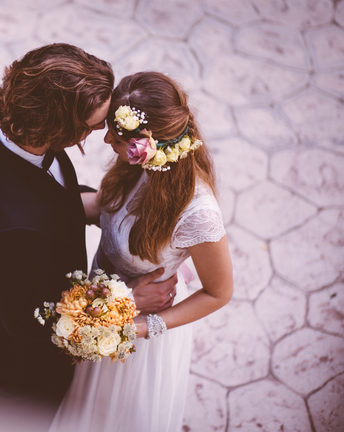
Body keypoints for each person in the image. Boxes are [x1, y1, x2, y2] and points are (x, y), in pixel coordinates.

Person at [0, 46, 180, 432]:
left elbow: (41, 195)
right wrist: (128, 301)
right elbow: (31, 326)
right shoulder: (17, 232)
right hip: (24, 367)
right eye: (94, 127)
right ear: (58, 131)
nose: (105, 133)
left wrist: (109, 205)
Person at [49, 72, 234, 432]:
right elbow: (105, 207)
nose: (105, 139)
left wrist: (142, 326)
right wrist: (38, 207)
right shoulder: (137, 164)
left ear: (147, 144)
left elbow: (219, 293)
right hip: (97, 308)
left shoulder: (198, 214)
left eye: (116, 138)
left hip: (136, 333)